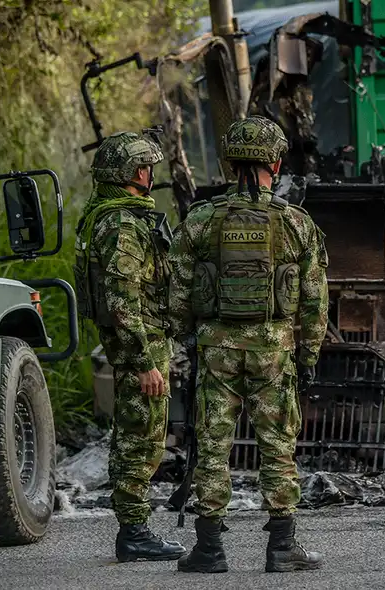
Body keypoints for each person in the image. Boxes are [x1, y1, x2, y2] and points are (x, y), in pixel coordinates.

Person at [168, 116, 329, 574]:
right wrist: (309, 356)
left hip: (215, 350)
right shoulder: (296, 223)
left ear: (229, 161)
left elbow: (178, 295)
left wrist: (188, 340)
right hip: (274, 352)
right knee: (278, 445)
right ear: (275, 164)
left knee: (213, 445)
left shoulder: (200, 221)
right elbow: (315, 301)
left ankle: (209, 550)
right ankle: (282, 548)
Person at [73, 132, 186, 562]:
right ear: (137, 173)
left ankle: (134, 529)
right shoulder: (120, 224)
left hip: (141, 342)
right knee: (140, 439)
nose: (151, 174)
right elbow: (123, 300)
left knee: (137, 435)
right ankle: (134, 533)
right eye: (148, 168)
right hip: (141, 348)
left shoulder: (105, 216)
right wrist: (144, 361)